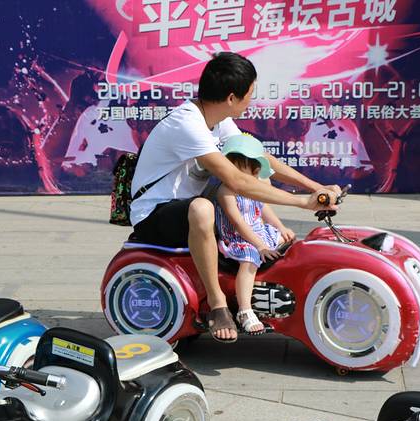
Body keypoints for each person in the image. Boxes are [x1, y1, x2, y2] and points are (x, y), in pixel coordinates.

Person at [130, 51, 340, 343]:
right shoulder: (188, 124)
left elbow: (259, 158)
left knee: (254, 173)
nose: (251, 101)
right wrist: (302, 202)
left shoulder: (219, 121)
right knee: (204, 207)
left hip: (189, 206)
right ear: (231, 97)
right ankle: (218, 305)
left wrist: (316, 187)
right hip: (155, 214)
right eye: (250, 95)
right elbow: (236, 181)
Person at [215, 134, 296, 335]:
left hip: (257, 231)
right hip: (237, 237)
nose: (239, 178)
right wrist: (260, 246)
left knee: (287, 240)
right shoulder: (226, 192)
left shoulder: (253, 186)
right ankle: (245, 310)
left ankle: (268, 287)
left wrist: (281, 227)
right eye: (232, 169)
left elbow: (264, 208)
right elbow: (238, 223)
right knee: (250, 258)